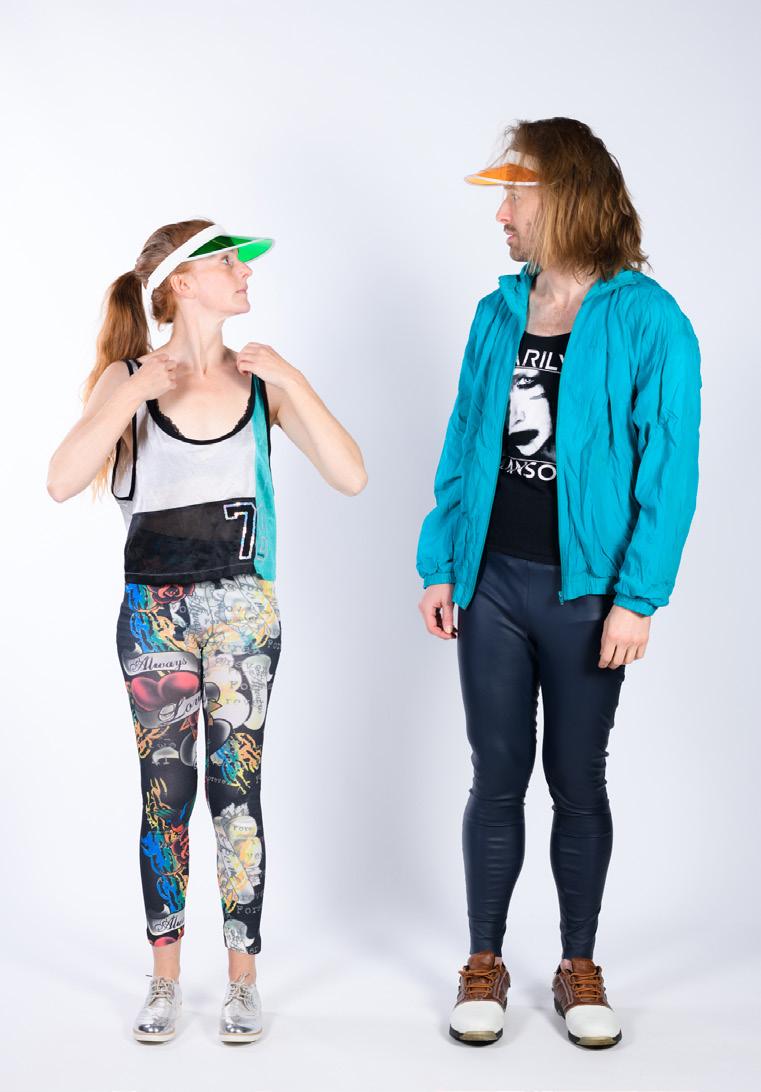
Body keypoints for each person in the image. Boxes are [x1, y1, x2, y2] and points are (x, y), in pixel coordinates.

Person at [416, 119, 701, 1049]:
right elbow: (463, 439)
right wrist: (440, 562)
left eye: (514, 196)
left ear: (565, 197)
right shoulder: (495, 313)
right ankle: (484, 961)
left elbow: (669, 468)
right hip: (491, 583)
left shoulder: (648, 319)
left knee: (576, 780)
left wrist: (638, 597)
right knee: (495, 775)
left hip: (586, 594)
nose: (499, 215)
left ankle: (578, 964)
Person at [47, 219, 367, 1043]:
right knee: (165, 794)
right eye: (229, 262)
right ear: (183, 283)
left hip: (243, 612)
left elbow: (350, 474)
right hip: (152, 613)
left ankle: (241, 980)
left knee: (236, 794)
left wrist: (294, 380)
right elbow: (62, 480)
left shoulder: (261, 381)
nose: (245, 273)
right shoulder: (129, 378)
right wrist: (130, 393)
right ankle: (163, 982)